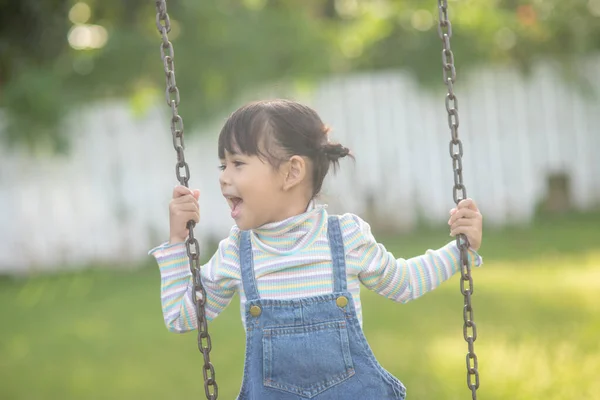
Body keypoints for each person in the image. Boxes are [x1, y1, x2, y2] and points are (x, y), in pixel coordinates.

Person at [149, 99, 483, 399]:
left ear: (292, 171)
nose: (223, 178)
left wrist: (460, 251)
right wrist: (179, 242)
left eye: (238, 163)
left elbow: (404, 282)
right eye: (223, 166)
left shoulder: (345, 237)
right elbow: (181, 317)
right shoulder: (237, 252)